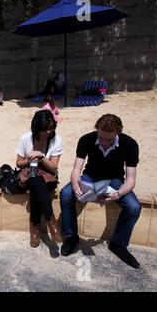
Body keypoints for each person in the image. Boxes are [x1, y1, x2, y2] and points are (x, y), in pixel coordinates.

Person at [60, 114, 141, 268]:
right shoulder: (87, 139)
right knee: (66, 194)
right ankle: (71, 237)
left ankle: (118, 244)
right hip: (90, 176)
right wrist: (75, 184)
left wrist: (118, 194)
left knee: (134, 207)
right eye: (101, 137)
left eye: (109, 139)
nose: (104, 142)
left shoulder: (129, 144)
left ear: (118, 133)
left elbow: (131, 180)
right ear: (97, 130)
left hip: (115, 180)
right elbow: (77, 169)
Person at [16, 110, 63, 247]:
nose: (48, 132)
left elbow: (53, 168)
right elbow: (18, 163)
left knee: (36, 186)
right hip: (29, 174)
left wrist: (41, 157)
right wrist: (30, 159)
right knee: (34, 178)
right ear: (37, 128)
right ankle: (51, 221)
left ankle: (35, 228)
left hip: (48, 177)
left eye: (51, 128)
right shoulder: (26, 138)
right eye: (44, 129)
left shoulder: (56, 140)